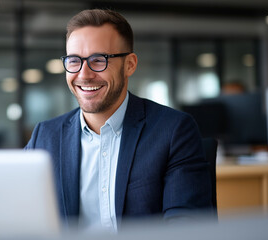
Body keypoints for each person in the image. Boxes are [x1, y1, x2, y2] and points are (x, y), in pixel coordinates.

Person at [25, 9, 212, 232]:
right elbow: (20, 217)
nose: (84, 74)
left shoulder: (173, 131)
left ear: (130, 65)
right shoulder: (45, 136)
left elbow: (186, 228)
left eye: (98, 60)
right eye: (74, 61)